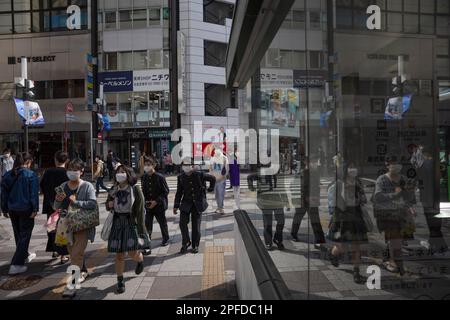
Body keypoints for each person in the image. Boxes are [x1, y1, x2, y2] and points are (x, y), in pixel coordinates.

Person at [54, 159, 97, 298]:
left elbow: (92, 204)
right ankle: (81, 274)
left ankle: (72, 285)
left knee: (76, 255)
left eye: (75, 169)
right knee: (73, 254)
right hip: (66, 226)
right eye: (69, 169)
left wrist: (76, 201)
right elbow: (55, 207)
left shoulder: (87, 186)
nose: (72, 172)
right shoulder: (63, 185)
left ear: (81, 171)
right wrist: (58, 200)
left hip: (81, 226)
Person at [106, 165, 147, 294]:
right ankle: (120, 281)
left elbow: (140, 212)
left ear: (129, 175)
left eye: (123, 172)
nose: (120, 174)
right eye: (118, 172)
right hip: (117, 223)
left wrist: (142, 232)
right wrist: (109, 205)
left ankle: (140, 260)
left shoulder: (135, 189)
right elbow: (108, 205)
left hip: (131, 223)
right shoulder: (113, 189)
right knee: (119, 255)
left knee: (132, 253)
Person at [373, 157, 416, 276]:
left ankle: (388, 259)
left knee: (397, 240)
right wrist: (395, 194)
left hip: (402, 215)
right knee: (395, 240)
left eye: (398, 163)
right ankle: (397, 264)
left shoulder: (403, 179)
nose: (396, 165)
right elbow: (378, 197)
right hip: (388, 215)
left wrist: (410, 205)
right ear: (387, 165)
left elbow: (410, 198)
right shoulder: (382, 179)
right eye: (394, 163)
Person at [327, 163, 369, 284]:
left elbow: (364, 199)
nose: (353, 170)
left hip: (356, 218)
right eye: (350, 168)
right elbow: (333, 204)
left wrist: (360, 199)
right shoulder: (338, 184)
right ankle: (333, 254)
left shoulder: (358, 183)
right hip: (343, 220)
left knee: (357, 246)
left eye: (354, 168)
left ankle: (356, 272)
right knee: (343, 246)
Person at [1, 153, 39, 275]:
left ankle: (23, 254)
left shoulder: (7, 175)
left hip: (12, 209)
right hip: (26, 208)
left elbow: (3, 194)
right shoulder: (31, 175)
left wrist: (4, 209)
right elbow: (33, 194)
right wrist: (35, 209)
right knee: (24, 235)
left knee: (18, 233)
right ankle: (16, 264)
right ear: (27, 162)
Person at [174, 159, 215, 254]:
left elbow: (212, 178)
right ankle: (186, 242)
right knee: (182, 223)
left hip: (198, 203)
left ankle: (195, 245)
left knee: (196, 226)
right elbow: (179, 192)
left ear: (193, 166)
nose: (186, 166)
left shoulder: (199, 175)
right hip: (186, 203)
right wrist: (176, 205)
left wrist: (210, 188)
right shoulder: (181, 177)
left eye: (188, 165)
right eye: (184, 165)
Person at [411, 146, 448, 253]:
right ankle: (438, 246)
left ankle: (438, 247)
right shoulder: (438, 164)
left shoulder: (424, 165)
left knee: (433, 224)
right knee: (436, 223)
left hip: (428, 198)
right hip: (440, 196)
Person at [290, 155, 326, 249]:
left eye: (316, 161)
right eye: (313, 162)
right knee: (298, 218)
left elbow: (315, 186)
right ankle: (293, 234)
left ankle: (319, 240)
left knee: (315, 220)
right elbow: (300, 187)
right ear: (307, 163)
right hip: (303, 200)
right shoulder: (303, 173)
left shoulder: (316, 172)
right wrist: (306, 197)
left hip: (312, 200)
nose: (315, 164)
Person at [40, 151, 69, 264]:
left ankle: (55, 251)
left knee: (52, 228)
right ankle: (63, 254)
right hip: (64, 206)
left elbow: (42, 185)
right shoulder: (67, 173)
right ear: (66, 161)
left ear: (55, 160)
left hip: (50, 205)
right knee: (63, 229)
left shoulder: (48, 172)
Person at [248, 167, 288, 250]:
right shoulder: (262, 173)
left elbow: (282, 188)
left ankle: (277, 239)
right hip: (266, 201)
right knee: (268, 223)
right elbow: (250, 177)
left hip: (277, 201)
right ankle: (268, 242)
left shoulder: (278, 174)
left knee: (281, 221)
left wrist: (286, 201)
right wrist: (252, 188)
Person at [141, 156, 170, 254]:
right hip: (148, 205)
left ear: (154, 165)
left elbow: (166, 191)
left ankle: (165, 238)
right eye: (145, 165)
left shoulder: (160, 177)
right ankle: (147, 244)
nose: (146, 167)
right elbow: (143, 191)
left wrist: (156, 201)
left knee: (162, 223)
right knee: (147, 224)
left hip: (159, 205)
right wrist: (145, 201)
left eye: (149, 165)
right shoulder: (143, 177)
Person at [209, 147, 229, 215]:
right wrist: (212, 177)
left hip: (221, 180)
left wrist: (223, 177)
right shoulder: (212, 158)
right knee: (216, 194)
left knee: (221, 194)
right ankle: (218, 206)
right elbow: (210, 168)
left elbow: (226, 169)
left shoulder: (224, 158)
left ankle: (221, 208)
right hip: (214, 179)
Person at [0, 148, 15, 214]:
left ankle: (10, 207)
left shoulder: (12, 158)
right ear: (3, 153)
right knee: (3, 193)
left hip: (11, 176)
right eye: (6, 152)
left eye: (8, 152)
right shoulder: (1, 158)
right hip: (4, 177)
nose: (7, 153)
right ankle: (4, 208)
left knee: (11, 192)